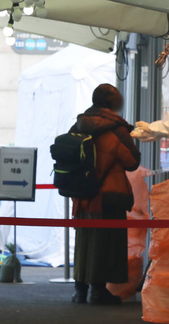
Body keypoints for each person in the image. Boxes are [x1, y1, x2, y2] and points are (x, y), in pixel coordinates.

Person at [72, 84, 141, 305]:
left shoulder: (79, 124)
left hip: (82, 193)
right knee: (106, 242)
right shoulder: (117, 128)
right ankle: (98, 292)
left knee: (84, 241)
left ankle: (80, 291)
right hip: (110, 193)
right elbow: (133, 162)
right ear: (111, 103)